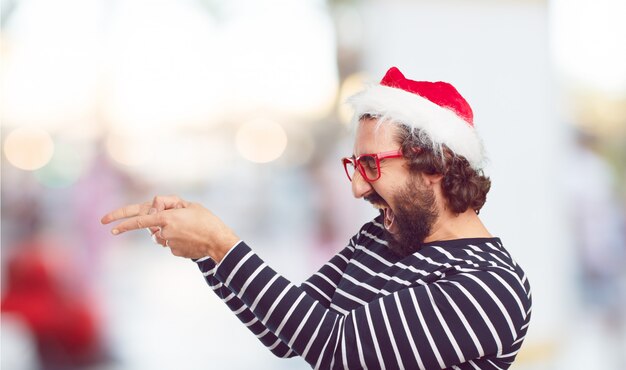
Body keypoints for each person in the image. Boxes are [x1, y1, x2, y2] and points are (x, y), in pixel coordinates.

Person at [102, 66, 532, 369]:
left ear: (435, 164)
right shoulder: (378, 238)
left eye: (372, 166)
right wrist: (203, 249)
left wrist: (221, 244)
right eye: (356, 167)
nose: (358, 188)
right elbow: (285, 334)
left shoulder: (489, 286)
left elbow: (337, 348)